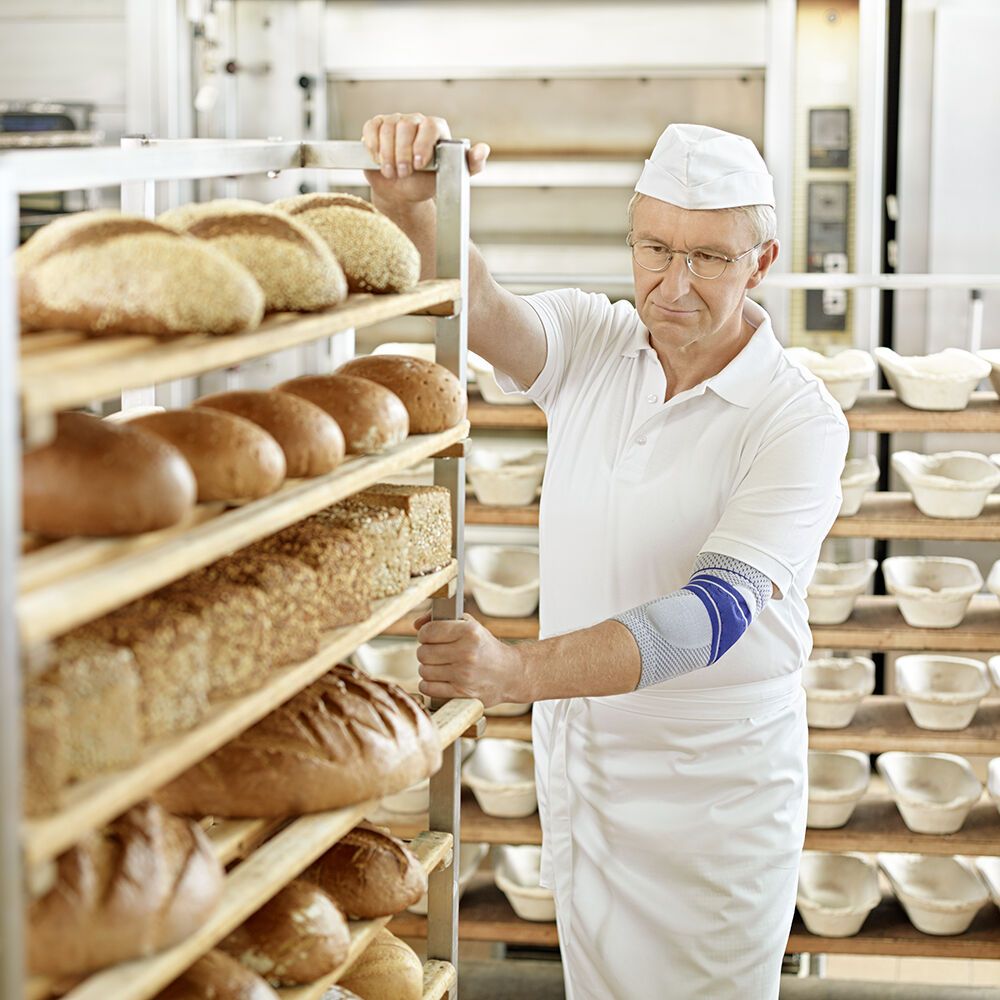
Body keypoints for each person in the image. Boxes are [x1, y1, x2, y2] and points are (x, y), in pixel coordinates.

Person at [362, 113, 850, 1000]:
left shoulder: (796, 417)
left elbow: (714, 615)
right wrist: (411, 202)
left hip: (712, 793)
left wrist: (518, 671)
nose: (673, 284)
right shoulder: (595, 342)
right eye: (655, 248)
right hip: (586, 767)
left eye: (709, 257)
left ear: (762, 263)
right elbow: (480, 305)